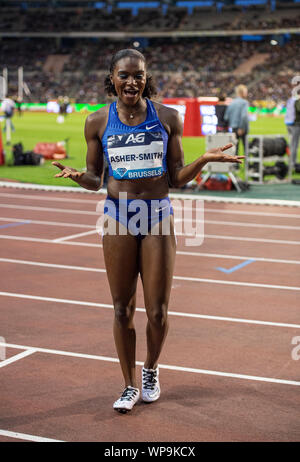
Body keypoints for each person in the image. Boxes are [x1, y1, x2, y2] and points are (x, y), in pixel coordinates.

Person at [52, 49, 244, 413]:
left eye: (138, 75)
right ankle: (128, 385)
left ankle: (151, 369)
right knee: (122, 309)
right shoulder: (96, 121)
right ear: (112, 78)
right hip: (118, 217)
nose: (131, 81)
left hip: (157, 216)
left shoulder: (169, 117)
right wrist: (79, 176)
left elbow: (175, 177)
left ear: (146, 77)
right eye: (124, 75)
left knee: (157, 311)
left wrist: (202, 161)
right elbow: (95, 179)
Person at [224, 84, 249, 156]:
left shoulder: (232, 102)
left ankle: (235, 165)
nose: (246, 94)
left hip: (234, 128)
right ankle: (247, 165)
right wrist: (241, 127)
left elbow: (226, 117)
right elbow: (244, 116)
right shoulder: (244, 102)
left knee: (235, 148)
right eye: (246, 92)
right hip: (242, 128)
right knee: (246, 148)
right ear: (242, 92)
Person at [290, 96, 300, 167]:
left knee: (294, 144)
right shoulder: (297, 102)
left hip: (296, 124)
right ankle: (292, 163)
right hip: (296, 125)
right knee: (294, 144)